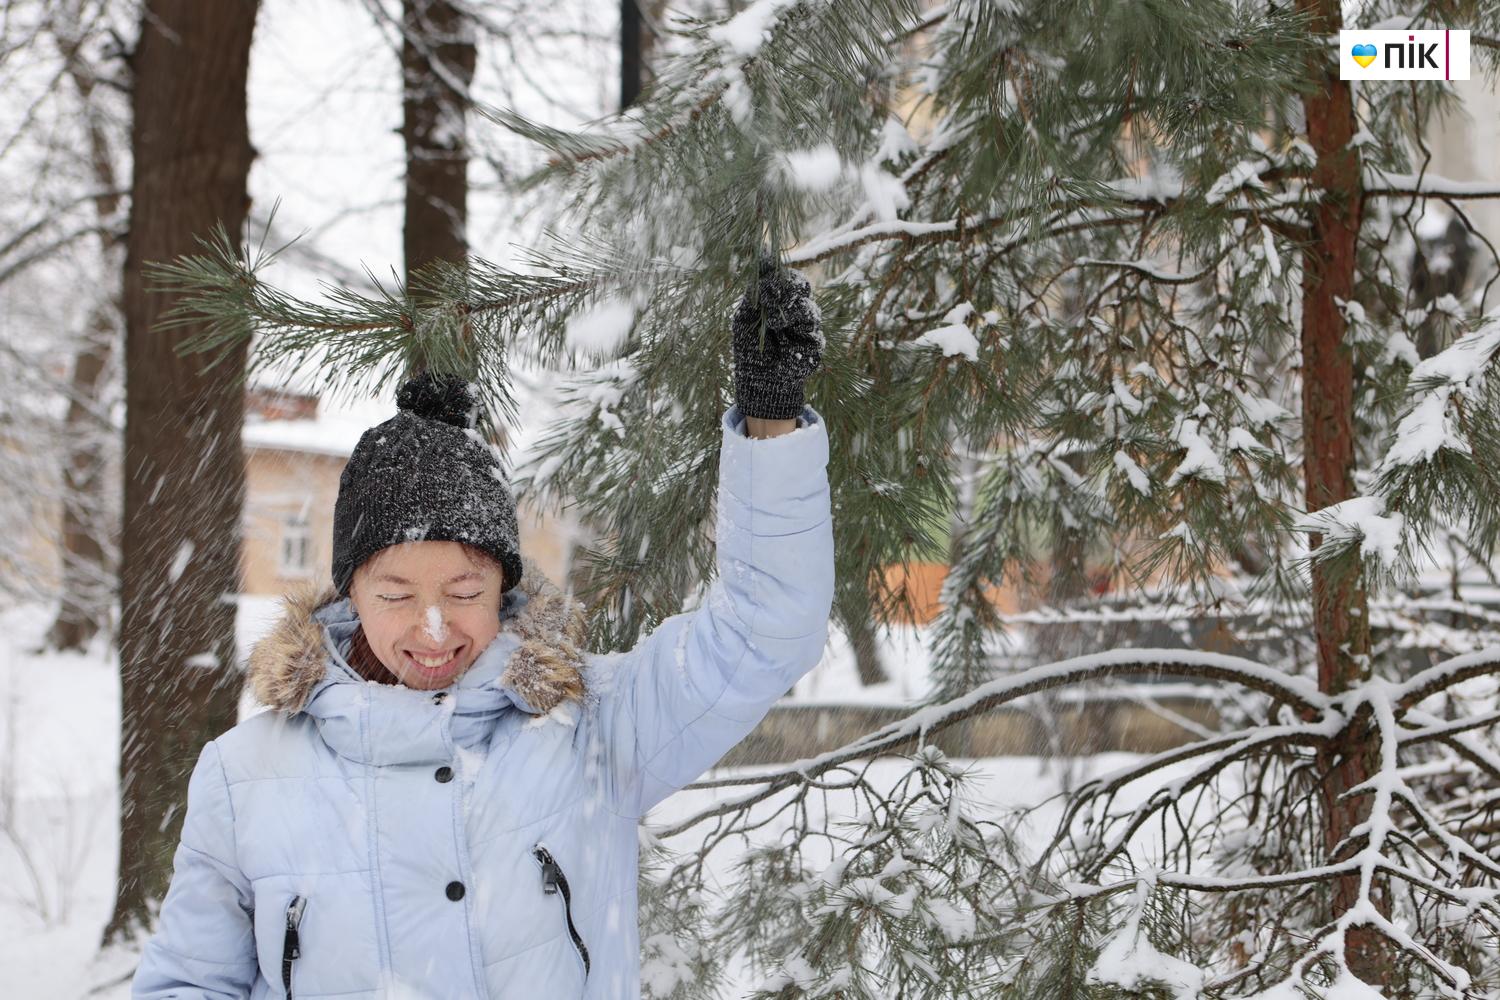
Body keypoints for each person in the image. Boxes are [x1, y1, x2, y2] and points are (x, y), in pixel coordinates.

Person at [131, 259, 834, 1000]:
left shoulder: (594, 730)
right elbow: (188, 984)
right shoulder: (245, 777)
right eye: (396, 594)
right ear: (350, 593)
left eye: (464, 591)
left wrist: (770, 420)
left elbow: (766, 631)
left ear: (504, 587)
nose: (433, 628)